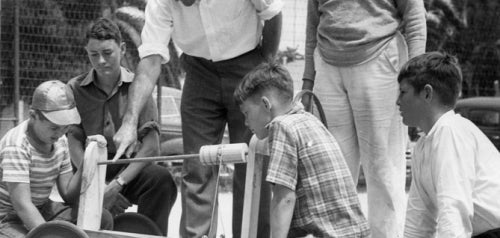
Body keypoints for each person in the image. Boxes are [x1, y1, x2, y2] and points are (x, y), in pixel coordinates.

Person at [110, 1, 283, 237]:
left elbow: (273, 14)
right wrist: (130, 122)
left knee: (254, 162)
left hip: (248, 64)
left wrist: (265, 67)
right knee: (197, 165)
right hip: (199, 71)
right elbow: (150, 60)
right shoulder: (161, 3)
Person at [301, 0, 427, 237]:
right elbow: (312, 22)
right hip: (327, 65)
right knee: (330, 174)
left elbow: (414, 15)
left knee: (383, 172)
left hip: (380, 58)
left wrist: (416, 76)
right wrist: (308, 79)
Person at [66, 18, 177, 236]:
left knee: (161, 180)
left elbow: (151, 148)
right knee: (74, 192)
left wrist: (117, 184)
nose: (100, 61)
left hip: (128, 167)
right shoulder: (74, 88)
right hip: (89, 168)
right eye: (93, 54)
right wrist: (97, 187)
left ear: (122, 49)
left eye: (107, 53)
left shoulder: (139, 87)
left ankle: (148, 234)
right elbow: (73, 143)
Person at [234, 61, 370, 237]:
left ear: (266, 104)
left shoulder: (282, 126)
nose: (246, 123)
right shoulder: (308, 120)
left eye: (246, 113)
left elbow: (285, 198)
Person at [398, 52, 500, 237]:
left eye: (403, 92)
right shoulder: (423, 146)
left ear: (427, 93)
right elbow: (418, 221)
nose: (398, 101)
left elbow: (453, 211)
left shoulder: (450, 131)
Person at [0, 80, 113, 237]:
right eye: (54, 127)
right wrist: (50, 233)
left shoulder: (59, 140)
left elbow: (67, 193)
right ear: (33, 116)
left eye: (65, 127)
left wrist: (88, 158)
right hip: (8, 218)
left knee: (102, 219)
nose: (60, 133)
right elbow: (22, 205)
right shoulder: (17, 145)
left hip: (43, 208)